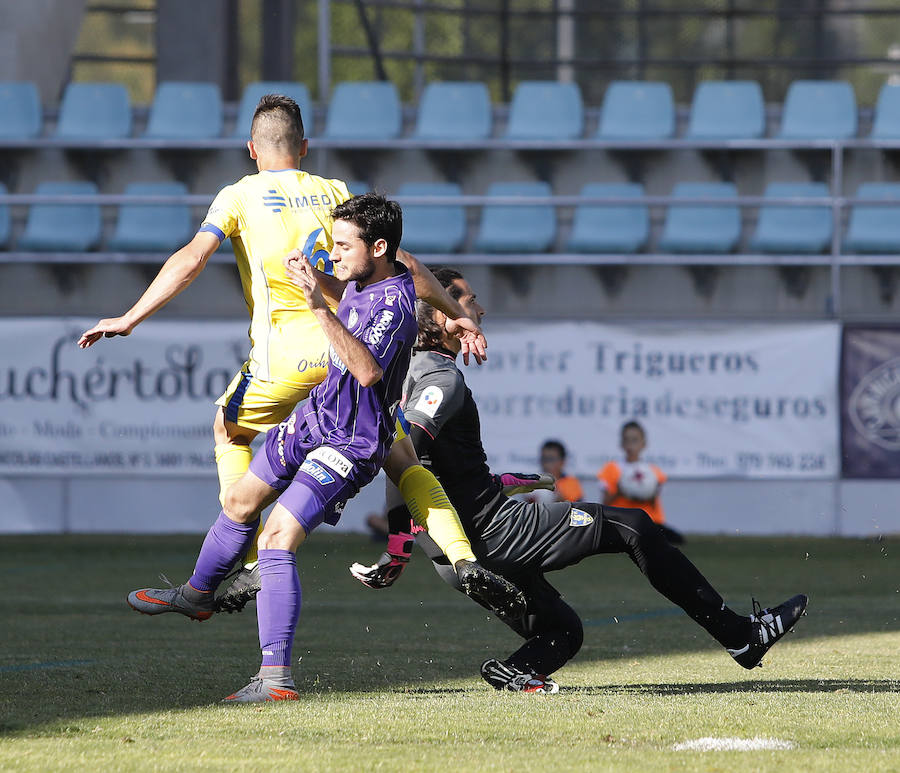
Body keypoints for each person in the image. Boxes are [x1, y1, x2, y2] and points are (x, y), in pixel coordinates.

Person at [77, 94, 492, 598]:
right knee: (402, 459)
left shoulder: (239, 195)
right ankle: (463, 557)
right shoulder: (333, 190)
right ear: (305, 147)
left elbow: (192, 258)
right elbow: (404, 261)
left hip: (282, 364)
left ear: (252, 148)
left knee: (228, 430)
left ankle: (249, 561)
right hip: (347, 356)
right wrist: (459, 315)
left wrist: (130, 317)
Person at [126, 196, 524, 703]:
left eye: (342, 245)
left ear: (378, 248)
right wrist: (324, 281)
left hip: (350, 441)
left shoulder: (394, 306)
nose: (333, 254)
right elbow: (414, 270)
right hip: (316, 416)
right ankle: (196, 596)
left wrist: (315, 301)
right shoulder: (380, 270)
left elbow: (366, 370)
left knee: (275, 540)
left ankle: (275, 680)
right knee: (239, 502)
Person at [351, 267, 808, 694]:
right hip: (498, 535)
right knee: (634, 526)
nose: (481, 310)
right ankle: (741, 636)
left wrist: (415, 539)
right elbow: (406, 450)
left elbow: (410, 464)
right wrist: (398, 546)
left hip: (455, 561)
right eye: (470, 301)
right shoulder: (442, 379)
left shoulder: (407, 372)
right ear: (445, 316)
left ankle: (519, 671)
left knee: (563, 631)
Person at [598, 420, 684, 544]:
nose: (630, 445)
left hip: (649, 520)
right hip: (621, 520)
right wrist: (620, 491)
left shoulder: (652, 471)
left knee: (676, 540)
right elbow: (605, 503)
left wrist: (645, 492)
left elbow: (654, 502)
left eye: (634, 440)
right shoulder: (611, 469)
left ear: (643, 444)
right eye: (626, 440)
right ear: (621, 443)